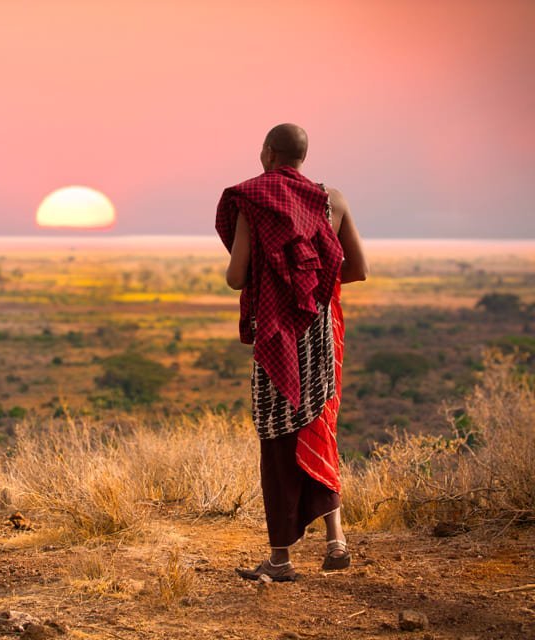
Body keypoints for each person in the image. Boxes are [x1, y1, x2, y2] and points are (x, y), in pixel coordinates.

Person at [215, 123, 368, 581]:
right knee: (318, 427)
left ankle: (280, 559)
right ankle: (336, 540)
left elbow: (236, 277)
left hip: (277, 336)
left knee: (279, 440)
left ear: (267, 153)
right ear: (302, 156)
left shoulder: (252, 201)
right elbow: (357, 268)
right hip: (318, 331)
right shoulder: (333, 200)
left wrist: (278, 284)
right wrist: (309, 283)